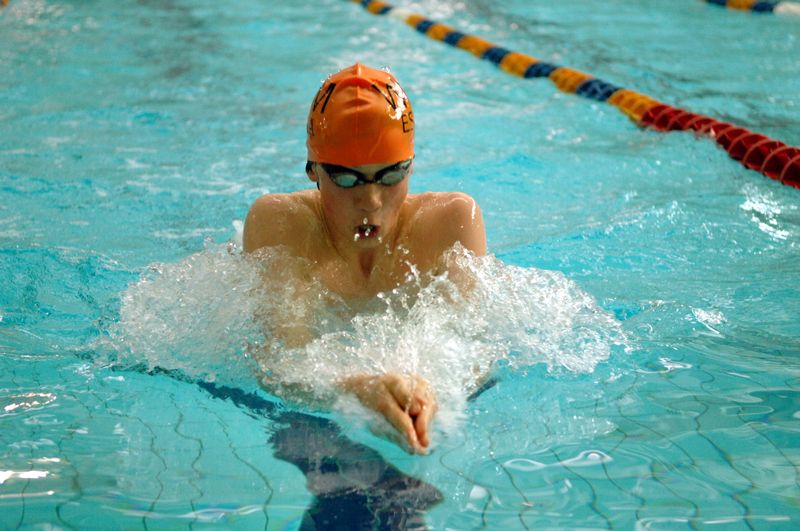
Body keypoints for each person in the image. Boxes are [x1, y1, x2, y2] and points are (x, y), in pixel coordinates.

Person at [243, 63, 487, 454]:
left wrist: (432, 387)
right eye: (346, 179)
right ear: (312, 170)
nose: (371, 201)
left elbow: (477, 348)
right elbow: (279, 363)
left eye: (391, 175)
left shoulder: (451, 222)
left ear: (412, 165)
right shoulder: (283, 226)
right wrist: (355, 390)